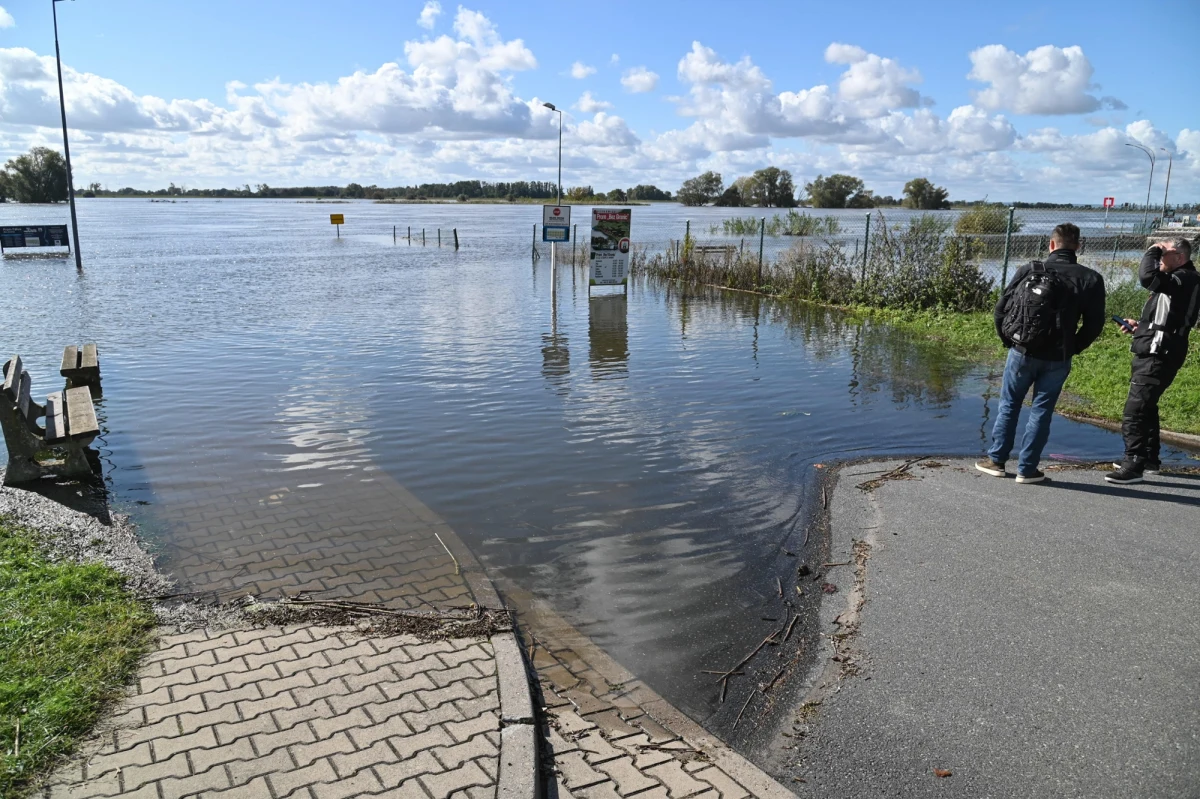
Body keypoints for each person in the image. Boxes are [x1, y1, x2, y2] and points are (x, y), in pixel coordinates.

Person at [976, 223, 1106, 483]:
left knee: (1009, 405)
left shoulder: (1029, 270)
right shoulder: (1091, 278)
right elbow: (1094, 325)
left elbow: (1001, 309)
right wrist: (1073, 347)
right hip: (1058, 357)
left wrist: (1009, 340)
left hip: (1022, 351)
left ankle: (996, 461)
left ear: (1051, 244)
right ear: (1078, 247)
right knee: (1042, 410)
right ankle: (1027, 469)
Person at [1106, 238, 1199, 484]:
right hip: (1155, 347)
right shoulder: (1173, 281)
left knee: (1135, 410)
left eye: (1163, 254)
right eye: (1158, 254)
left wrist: (1152, 249)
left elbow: (1146, 278)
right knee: (1146, 405)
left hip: (1161, 353)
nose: (1158, 260)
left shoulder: (1185, 278)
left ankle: (1132, 463)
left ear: (1179, 257)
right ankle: (1148, 459)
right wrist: (1140, 326)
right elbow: (1164, 318)